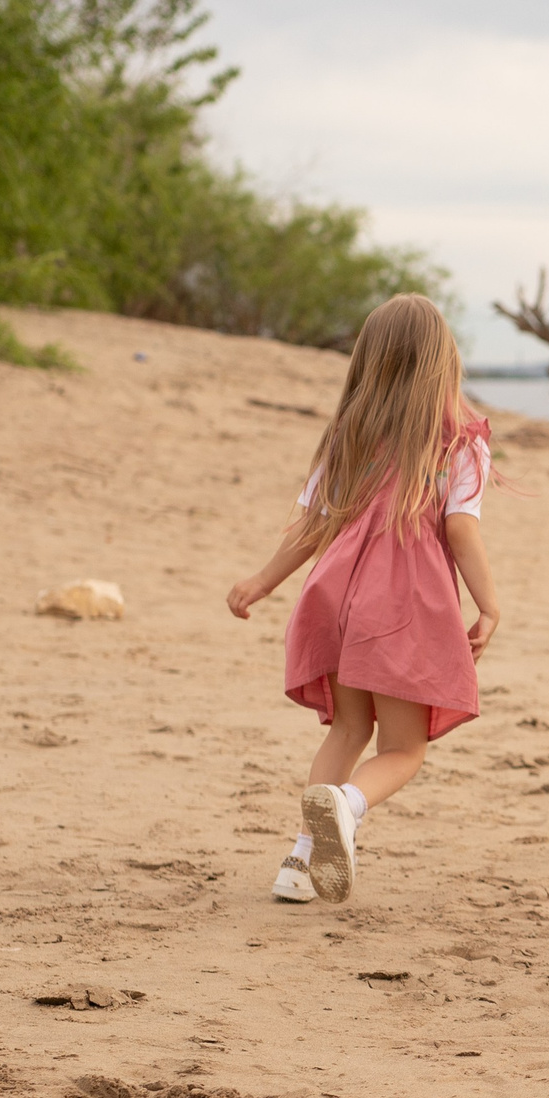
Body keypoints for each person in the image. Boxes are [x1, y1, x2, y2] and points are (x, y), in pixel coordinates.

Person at [226, 294, 502, 904]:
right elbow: (461, 528)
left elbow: (314, 524)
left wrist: (262, 581)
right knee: (403, 748)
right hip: (403, 608)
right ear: (444, 362)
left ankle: (299, 862)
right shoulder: (460, 442)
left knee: (348, 728)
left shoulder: (348, 435)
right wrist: (489, 606)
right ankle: (347, 805)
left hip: (336, 596)